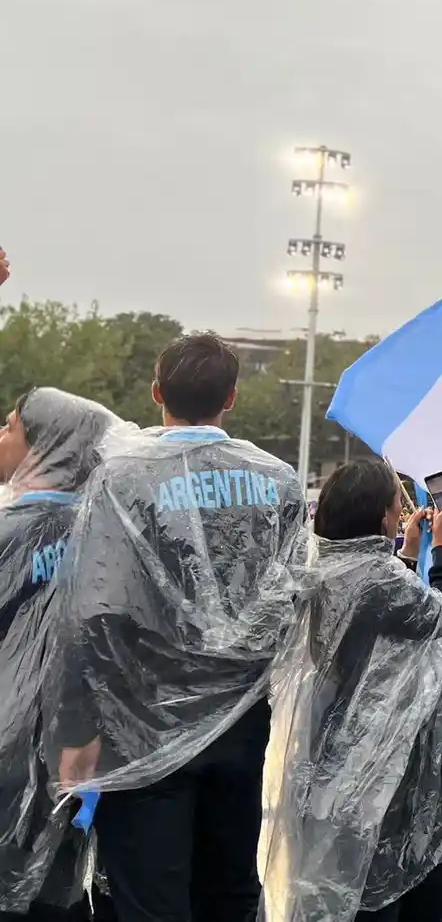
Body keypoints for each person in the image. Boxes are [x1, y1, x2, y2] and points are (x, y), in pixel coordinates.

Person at [43, 333, 306, 922]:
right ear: (232, 398)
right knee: (229, 894)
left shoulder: (122, 478)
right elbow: (287, 604)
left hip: (144, 721)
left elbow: (95, 609)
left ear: (156, 391)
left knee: (150, 901)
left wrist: (79, 727)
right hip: (242, 721)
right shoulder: (280, 481)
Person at [260, 459, 442, 922]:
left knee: (342, 891)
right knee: (393, 892)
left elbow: (383, 622)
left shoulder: (321, 573)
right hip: (388, 774)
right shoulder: (380, 583)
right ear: (382, 517)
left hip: (328, 761)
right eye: (397, 507)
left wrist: (407, 555)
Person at [0, 390, 119, 922]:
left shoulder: (9, 535)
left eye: (9, 427)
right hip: (86, 756)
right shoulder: (112, 535)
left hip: (11, 753)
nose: (1, 437)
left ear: (44, 445)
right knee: (60, 891)